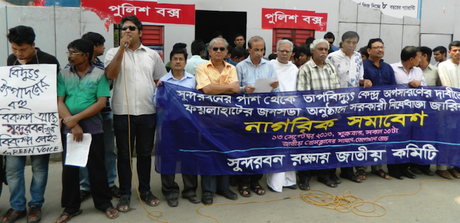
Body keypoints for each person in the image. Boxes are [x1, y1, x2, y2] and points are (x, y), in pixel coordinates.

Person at [105, 15, 166, 211]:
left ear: (140, 31)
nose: (127, 31)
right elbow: (110, 76)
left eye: (131, 28)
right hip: (123, 113)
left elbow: (161, 80)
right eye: (124, 29)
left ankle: (145, 191)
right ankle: (124, 194)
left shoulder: (151, 55)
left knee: (145, 154)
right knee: (124, 155)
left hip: (148, 111)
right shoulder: (113, 53)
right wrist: (121, 50)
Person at [55, 38, 118, 223]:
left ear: (86, 56)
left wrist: (75, 119)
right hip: (70, 131)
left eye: (74, 53)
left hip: (93, 129)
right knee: (70, 169)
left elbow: (101, 103)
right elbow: (59, 101)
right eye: (69, 52)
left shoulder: (100, 74)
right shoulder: (64, 74)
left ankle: (104, 203)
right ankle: (71, 207)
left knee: (96, 167)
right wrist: (73, 125)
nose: (70, 56)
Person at [3, 25, 60, 223]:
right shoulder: (11, 61)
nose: (18, 53)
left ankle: (36, 204)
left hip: (40, 126)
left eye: (23, 49)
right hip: (15, 126)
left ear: (33, 45)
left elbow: (56, 94)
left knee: (39, 168)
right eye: (14, 49)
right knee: (12, 168)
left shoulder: (49, 61)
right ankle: (17, 206)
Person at [76, 32, 120, 202]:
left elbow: (108, 83)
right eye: (102, 45)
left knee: (109, 150)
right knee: (83, 152)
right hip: (83, 116)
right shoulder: (75, 66)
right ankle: (85, 185)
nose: (103, 48)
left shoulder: (101, 66)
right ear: (94, 46)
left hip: (104, 114)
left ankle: (109, 183)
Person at [195, 37, 239, 205]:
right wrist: (226, 88)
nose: (219, 51)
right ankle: (208, 190)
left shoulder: (232, 68)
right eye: (215, 49)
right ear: (209, 51)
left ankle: (224, 187)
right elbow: (206, 89)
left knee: (226, 152)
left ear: (227, 52)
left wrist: (218, 89)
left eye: (222, 49)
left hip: (228, 118)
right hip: (207, 118)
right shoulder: (201, 68)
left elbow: (235, 89)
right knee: (208, 154)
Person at [326, 31, 372, 183]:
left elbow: (359, 79)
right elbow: (328, 81)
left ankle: (347, 171)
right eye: (348, 42)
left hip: (353, 105)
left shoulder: (358, 57)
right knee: (334, 139)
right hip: (336, 104)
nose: (351, 46)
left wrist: (365, 82)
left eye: (354, 43)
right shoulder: (332, 57)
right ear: (342, 42)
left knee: (350, 139)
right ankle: (331, 172)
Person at [157, 48, 200, 207]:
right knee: (168, 156)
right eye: (175, 59)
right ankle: (170, 191)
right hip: (169, 124)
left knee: (189, 156)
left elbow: (198, 101)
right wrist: (159, 90)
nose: (177, 61)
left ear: (185, 62)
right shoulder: (163, 81)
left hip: (189, 124)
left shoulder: (193, 80)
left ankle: (190, 190)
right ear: (170, 61)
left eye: (181, 59)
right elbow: (157, 102)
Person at [236, 36, 279, 197]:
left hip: (264, 114)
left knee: (261, 148)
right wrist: (243, 89)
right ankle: (243, 182)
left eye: (262, 50)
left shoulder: (269, 65)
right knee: (246, 149)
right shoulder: (240, 66)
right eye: (256, 50)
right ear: (249, 50)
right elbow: (235, 89)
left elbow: (276, 91)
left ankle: (256, 181)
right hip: (246, 114)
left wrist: (275, 86)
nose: (259, 53)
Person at [296, 39, 341, 188]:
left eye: (326, 49)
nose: (323, 52)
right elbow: (303, 95)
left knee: (328, 146)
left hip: (330, 116)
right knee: (308, 146)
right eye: (320, 49)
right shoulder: (305, 69)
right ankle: (304, 178)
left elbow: (337, 90)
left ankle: (325, 175)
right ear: (313, 51)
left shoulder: (331, 67)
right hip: (312, 116)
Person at [390, 46, 427, 179]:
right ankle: (393, 169)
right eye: (419, 57)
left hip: (413, 112)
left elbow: (426, 87)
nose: (420, 59)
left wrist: (419, 84)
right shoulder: (392, 69)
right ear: (411, 59)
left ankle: (404, 168)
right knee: (395, 140)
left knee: (409, 140)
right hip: (396, 112)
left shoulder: (418, 71)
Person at [267, 39, 298, 192]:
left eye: (287, 51)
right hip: (274, 112)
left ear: (292, 54)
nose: (284, 54)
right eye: (281, 51)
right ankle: (275, 182)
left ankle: (290, 180)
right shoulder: (269, 65)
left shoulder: (295, 69)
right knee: (277, 146)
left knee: (290, 145)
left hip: (291, 112)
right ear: (277, 51)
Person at [363, 38, 396, 180]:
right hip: (366, 110)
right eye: (376, 47)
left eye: (382, 47)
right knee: (364, 139)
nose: (380, 50)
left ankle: (377, 167)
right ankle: (361, 169)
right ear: (369, 50)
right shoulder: (362, 66)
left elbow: (393, 88)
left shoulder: (388, 67)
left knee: (381, 139)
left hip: (384, 110)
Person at [436, 41, 460, 179]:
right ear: (449, 52)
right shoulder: (443, 65)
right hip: (448, 106)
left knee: (457, 138)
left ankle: (452, 166)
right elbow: (447, 86)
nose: (457, 53)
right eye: (455, 50)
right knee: (446, 137)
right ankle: (442, 167)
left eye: (459, 50)